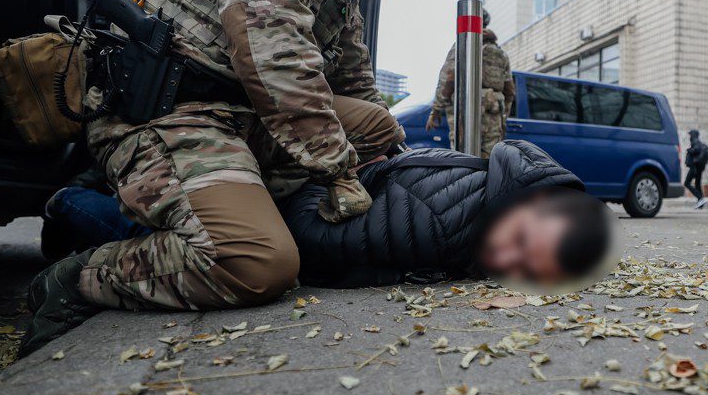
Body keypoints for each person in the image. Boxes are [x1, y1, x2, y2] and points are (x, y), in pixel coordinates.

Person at [21, 0, 441, 356]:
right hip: (167, 114)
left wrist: (390, 162)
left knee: (380, 126)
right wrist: (339, 169)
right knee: (258, 263)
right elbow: (274, 55)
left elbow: (354, 80)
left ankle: (227, 206)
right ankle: (78, 274)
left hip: (240, 116)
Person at [30, 141, 614, 350]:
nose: (511, 266)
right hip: (289, 214)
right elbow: (317, 244)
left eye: (530, 267)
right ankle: (68, 207)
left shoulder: (491, 181)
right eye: (522, 247)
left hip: (301, 188)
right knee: (178, 248)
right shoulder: (445, 220)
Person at [426, 9, 516, 157]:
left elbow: (447, 79)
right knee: (490, 159)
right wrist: (503, 116)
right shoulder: (500, 53)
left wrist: (435, 110)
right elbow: (509, 90)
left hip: (465, 110)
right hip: (493, 113)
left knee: (463, 156)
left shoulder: (463, 44)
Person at [683, 129, 708, 209]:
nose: (689, 137)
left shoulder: (695, 142)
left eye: (690, 135)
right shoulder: (698, 142)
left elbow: (696, 149)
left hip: (694, 167)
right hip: (699, 167)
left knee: (687, 183)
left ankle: (700, 198)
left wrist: (689, 150)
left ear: (693, 135)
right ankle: (700, 202)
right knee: (697, 184)